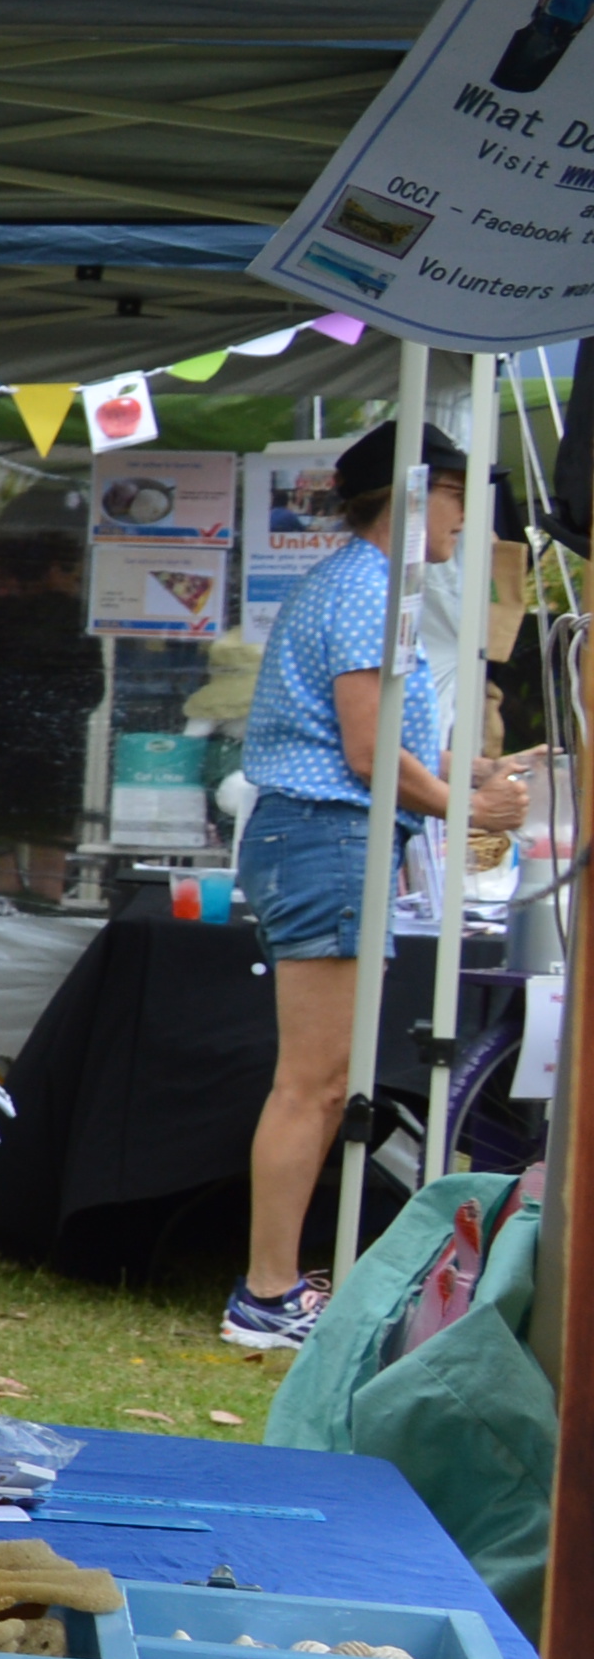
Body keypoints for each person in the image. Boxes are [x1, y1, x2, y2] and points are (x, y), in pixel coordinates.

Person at [229, 418, 534, 1356]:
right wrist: (462, 808)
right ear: (421, 494)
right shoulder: (366, 586)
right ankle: (266, 1295)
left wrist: (476, 776)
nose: (468, 526)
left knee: (323, 1083)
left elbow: (384, 745)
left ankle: (275, 1288)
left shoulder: (366, 586)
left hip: (324, 837)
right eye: (462, 502)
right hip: (324, 837)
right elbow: (367, 754)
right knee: (314, 1084)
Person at [0, 532, 101, 906]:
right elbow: (93, 691)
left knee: (1, 849)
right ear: (54, 570)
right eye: (72, 573)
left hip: (2, 748)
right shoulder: (77, 619)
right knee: (49, 858)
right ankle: (43, 919)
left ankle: (6, 916)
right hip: (59, 750)